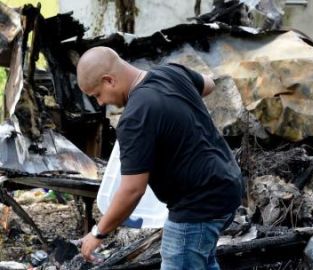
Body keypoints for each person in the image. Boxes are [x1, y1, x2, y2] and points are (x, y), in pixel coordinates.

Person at [76, 46, 243, 269]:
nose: (100, 103)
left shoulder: (135, 118)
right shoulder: (172, 73)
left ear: (109, 80)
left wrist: (98, 233)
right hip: (227, 188)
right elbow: (209, 84)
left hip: (197, 207)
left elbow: (132, 190)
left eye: (97, 95)